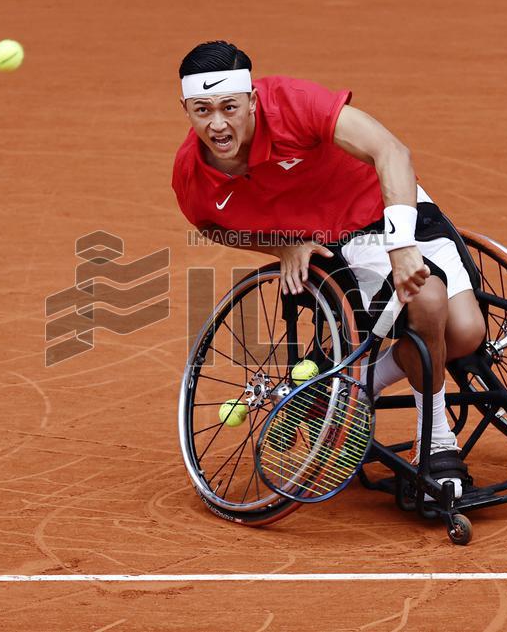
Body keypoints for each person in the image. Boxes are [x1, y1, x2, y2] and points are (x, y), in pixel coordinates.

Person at [171, 40, 485, 495]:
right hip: (337, 244)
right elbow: (213, 226)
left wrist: (399, 243)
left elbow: (391, 151)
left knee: (467, 332)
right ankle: (436, 443)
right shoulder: (190, 174)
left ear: (253, 100)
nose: (217, 124)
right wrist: (282, 247)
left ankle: (344, 388)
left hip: (392, 208)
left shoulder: (293, 104)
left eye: (229, 107)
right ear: (184, 108)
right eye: (202, 110)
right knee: (430, 301)